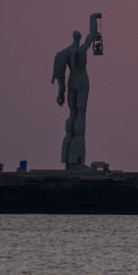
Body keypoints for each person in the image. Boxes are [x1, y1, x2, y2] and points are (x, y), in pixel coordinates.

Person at [51, 12, 102, 170]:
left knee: (72, 115)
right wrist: (94, 17)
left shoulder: (65, 53)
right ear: (79, 38)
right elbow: (92, 34)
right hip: (81, 82)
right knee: (80, 116)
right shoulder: (81, 50)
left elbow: (60, 74)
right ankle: (76, 159)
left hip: (71, 82)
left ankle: (69, 159)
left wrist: (61, 92)